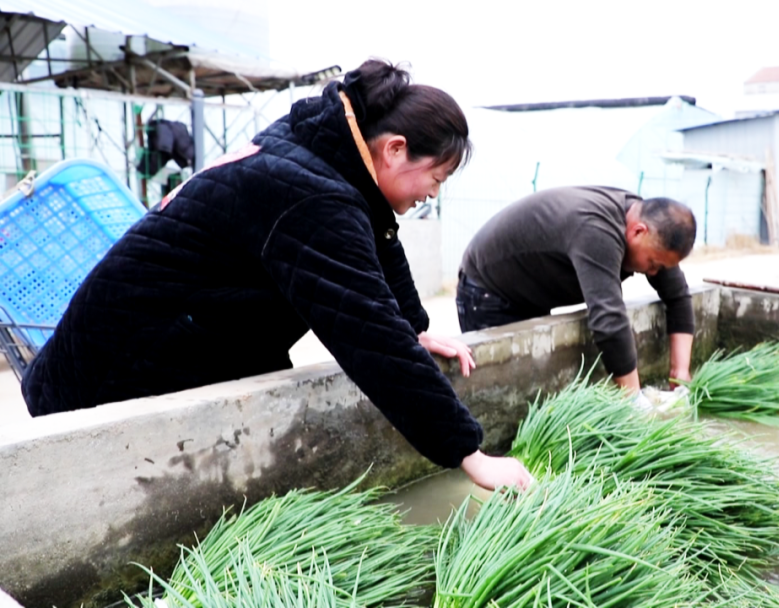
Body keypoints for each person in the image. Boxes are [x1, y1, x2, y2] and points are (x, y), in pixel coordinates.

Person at [21, 59, 533, 492]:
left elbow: (377, 236)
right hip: (108, 374)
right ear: (395, 149)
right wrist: (471, 454)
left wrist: (416, 328)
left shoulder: (320, 155)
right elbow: (366, 333)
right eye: (436, 179)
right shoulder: (311, 194)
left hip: (156, 342)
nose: (433, 195)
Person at [457, 186, 697, 394]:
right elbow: (609, 320)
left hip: (531, 292)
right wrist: (635, 400)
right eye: (653, 264)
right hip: (488, 291)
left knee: (538, 390)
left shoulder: (651, 227)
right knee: (507, 395)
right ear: (638, 231)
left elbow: (677, 296)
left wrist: (680, 373)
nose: (654, 272)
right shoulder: (598, 230)